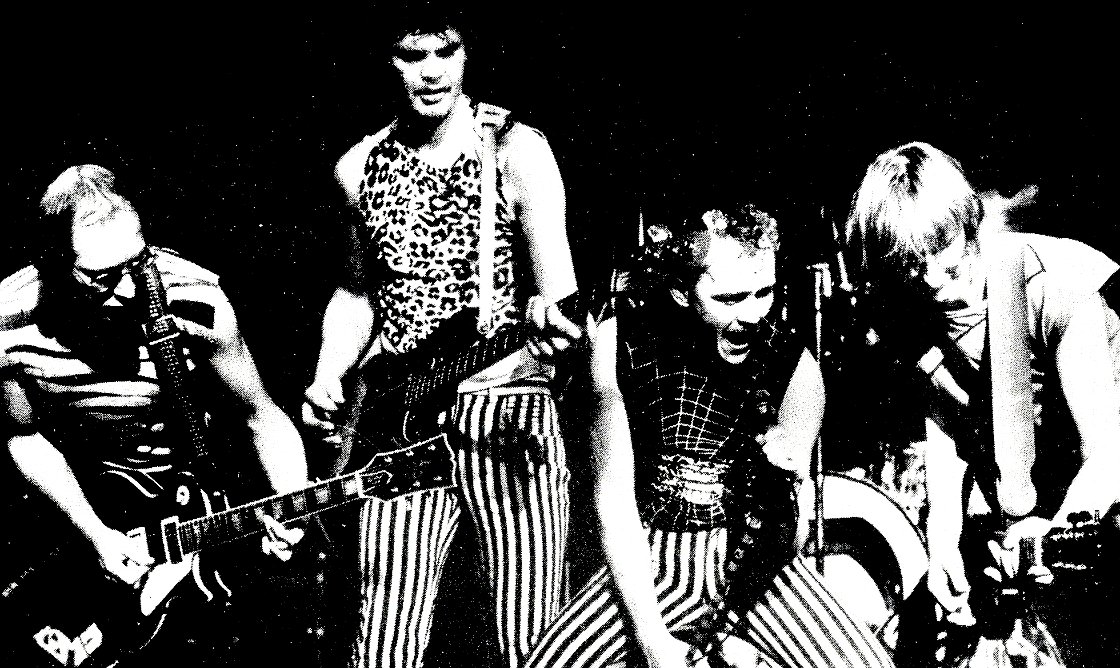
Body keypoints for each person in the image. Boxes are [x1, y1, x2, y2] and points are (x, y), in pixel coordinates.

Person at [299, 4, 581, 667]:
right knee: (383, 643)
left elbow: (561, 293)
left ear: (467, 53)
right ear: (385, 61)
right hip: (400, 421)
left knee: (531, 642)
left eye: (445, 51)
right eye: (411, 55)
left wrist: (550, 322)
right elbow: (357, 293)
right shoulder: (359, 165)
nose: (431, 72)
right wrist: (326, 372)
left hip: (506, 411)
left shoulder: (515, 149)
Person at [525, 203, 896, 668]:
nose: (753, 314)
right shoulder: (619, 345)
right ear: (682, 292)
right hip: (649, 558)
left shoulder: (796, 369)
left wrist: (728, 629)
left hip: (754, 566)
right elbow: (613, 502)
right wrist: (653, 643)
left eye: (765, 293)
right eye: (730, 298)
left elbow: (787, 529)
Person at [0, 164, 309, 665]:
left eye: (136, 261)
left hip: (197, 502)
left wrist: (291, 503)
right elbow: (22, 435)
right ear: (53, 262)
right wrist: (95, 533)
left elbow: (261, 415)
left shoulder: (192, 299)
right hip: (82, 509)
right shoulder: (9, 323)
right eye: (101, 276)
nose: (128, 288)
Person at [846, 141, 1120, 667]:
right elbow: (947, 416)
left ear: (967, 223)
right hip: (1028, 507)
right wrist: (943, 538)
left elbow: (1106, 453)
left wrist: (1055, 530)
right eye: (910, 264)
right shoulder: (908, 307)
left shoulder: (1055, 288)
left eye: (943, 254)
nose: (931, 280)